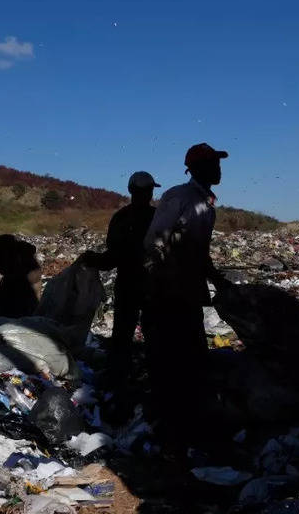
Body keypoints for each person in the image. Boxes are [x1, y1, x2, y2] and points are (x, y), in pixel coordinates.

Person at [143, 143, 229, 454]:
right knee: (170, 355)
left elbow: (198, 251)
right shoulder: (178, 197)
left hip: (187, 290)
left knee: (191, 354)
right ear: (195, 169)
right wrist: (161, 283)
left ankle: (186, 421)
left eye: (218, 163)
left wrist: (220, 282)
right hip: (168, 290)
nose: (218, 169)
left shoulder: (206, 204)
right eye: (212, 163)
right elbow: (154, 242)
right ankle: (166, 426)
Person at [82, 171, 160, 376]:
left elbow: (111, 259)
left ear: (130, 190)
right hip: (154, 285)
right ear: (151, 191)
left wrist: (92, 260)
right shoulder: (157, 218)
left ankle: (118, 378)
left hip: (129, 285)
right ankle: (155, 376)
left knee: (123, 334)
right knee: (155, 334)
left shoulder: (121, 218)